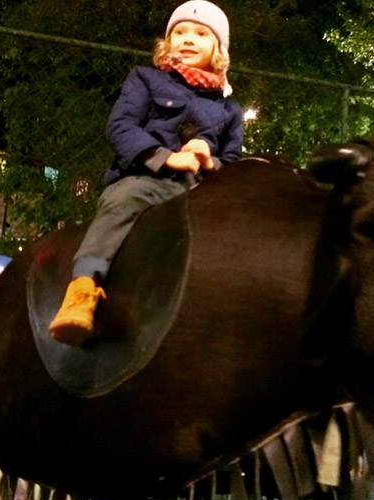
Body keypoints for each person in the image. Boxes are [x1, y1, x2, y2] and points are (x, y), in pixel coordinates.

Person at [49, 0, 243, 346]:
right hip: (145, 179)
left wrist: (209, 161)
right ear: (166, 43)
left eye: (200, 33)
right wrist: (165, 157)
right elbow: (121, 126)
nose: (187, 38)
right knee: (123, 201)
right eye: (179, 32)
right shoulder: (146, 79)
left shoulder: (228, 108)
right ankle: (82, 289)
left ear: (219, 49)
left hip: (198, 193)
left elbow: (232, 160)